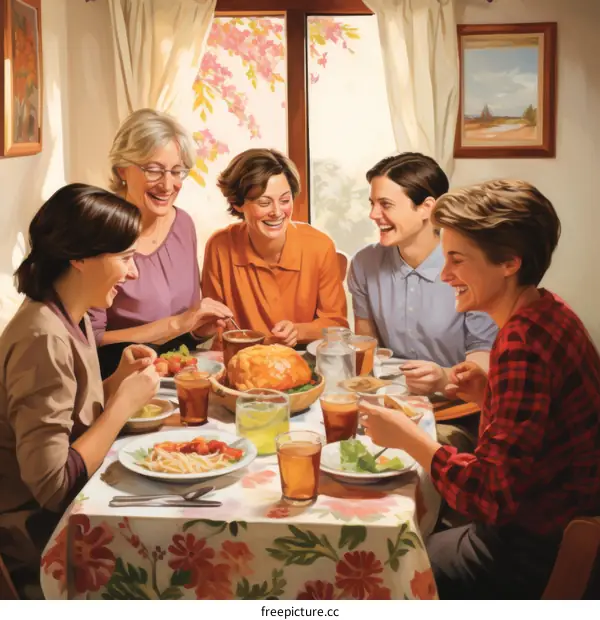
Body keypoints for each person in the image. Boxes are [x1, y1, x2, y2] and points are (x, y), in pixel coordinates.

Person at [359, 179, 600, 599]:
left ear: (509, 262)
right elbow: (545, 432)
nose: (445, 274)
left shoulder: (521, 343)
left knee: (386, 564)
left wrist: (410, 439)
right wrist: (489, 396)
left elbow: (491, 497)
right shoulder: (550, 309)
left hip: (541, 548)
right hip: (560, 518)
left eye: (456, 259)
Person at [0, 184, 160, 597]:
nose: (133, 272)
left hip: (64, 515)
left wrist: (117, 381)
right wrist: (122, 407)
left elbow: (71, 418)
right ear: (80, 258)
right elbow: (53, 486)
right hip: (35, 539)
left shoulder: (74, 312)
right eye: (125, 258)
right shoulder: (43, 337)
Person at [348, 152, 497, 450]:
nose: (374, 215)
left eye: (385, 204)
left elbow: (484, 355)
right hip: (388, 406)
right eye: (372, 203)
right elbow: (366, 346)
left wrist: (443, 377)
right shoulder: (365, 264)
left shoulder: (469, 267)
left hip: (454, 413)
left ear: (427, 208)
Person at [89, 108, 232, 378]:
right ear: (123, 169)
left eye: (177, 172)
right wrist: (175, 324)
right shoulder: (100, 232)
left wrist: (194, 330)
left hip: (177, 377)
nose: (168, 185)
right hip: (118, 378)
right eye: (154, 170)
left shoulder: (184, 225)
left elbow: (180, 338)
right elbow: (89, 341)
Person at [202, 148, 348, 347]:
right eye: (264, 203)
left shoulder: (319, 247)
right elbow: (215, 324)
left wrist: (298, 331)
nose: (277, 212)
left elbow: (336, 325)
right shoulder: (220, 246)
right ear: (237, 204)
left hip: (300, 363)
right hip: (243, 363)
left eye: (285, 200)